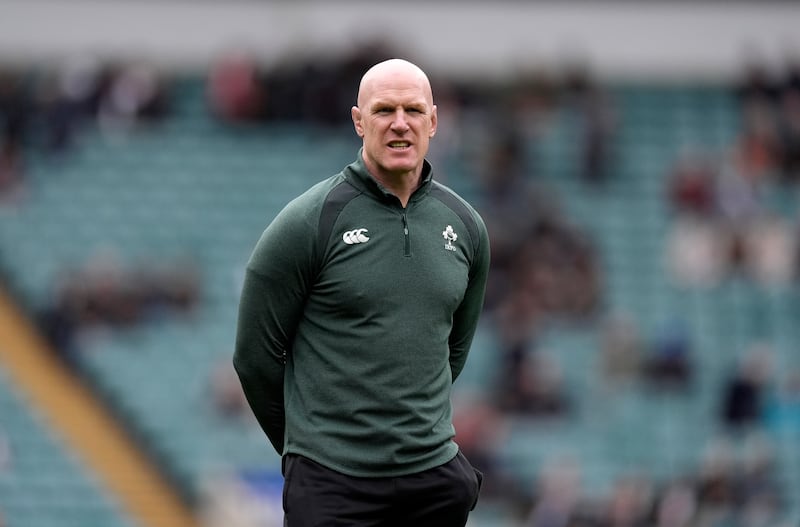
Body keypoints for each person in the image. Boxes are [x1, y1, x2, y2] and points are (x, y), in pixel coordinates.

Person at [233, 58, 490, 526]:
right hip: (332, 485)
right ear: (358, 121)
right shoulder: (309, 221)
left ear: (433, 120)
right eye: (383, 110)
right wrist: (306, 449)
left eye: (413, 110)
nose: (399, 124)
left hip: (430, 482)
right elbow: (254, 357)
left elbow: (452, 350)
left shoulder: (466, 226)